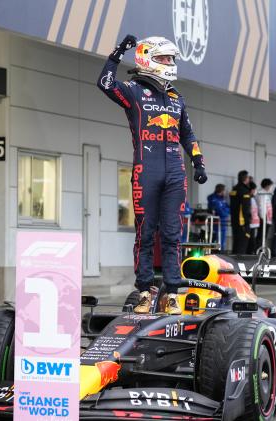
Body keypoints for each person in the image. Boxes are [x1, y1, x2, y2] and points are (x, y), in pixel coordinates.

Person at [98, 34, 208, 315]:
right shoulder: (133, 90)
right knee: (145, 234)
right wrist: (117, 53)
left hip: (175, 173)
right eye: (164, 58)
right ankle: (145, 292)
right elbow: (105, 84)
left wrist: (198, 161)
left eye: (171, 58)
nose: (170, 63)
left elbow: (188, 133)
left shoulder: (176, 97)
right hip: (146, 170)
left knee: (172, 235)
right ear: (147, 59)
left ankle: (172, 293)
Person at [230, 170, 252, 254]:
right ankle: (240, 263)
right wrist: (247, 221)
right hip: (242, 222)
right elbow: (245, 208)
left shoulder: (234, 189)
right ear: (245, 179)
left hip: (234, 221)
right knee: (242, 245)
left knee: (236, 243)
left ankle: (234, 263)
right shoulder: (244, 191)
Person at [207, 184, 230, 251]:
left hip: (223, 221)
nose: (225, 192)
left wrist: (225, 211)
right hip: (216, 221)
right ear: (221, 190)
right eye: (224, 190)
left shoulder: (222, 199)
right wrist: (225, 211)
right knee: (216, 238)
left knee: (222, 239)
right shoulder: (213, 198)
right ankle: (217, 251)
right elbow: (219, 210)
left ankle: (221, 251)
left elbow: (228, 208)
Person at [257, 178, 274, 251]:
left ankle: (261, 248)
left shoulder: (267, 194)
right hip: (263, 218)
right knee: (261, 235)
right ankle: (259, 249)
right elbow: (261, 206)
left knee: (264, 235)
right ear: (267, 186)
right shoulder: (261, 193)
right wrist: (263, 217)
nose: (270, 188)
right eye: (270, 186)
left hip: (267, 218)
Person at [247, 182, 260, 254]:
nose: (255, 191)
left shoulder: (253, 199)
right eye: (254, 190)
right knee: (251, 240)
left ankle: (252, 251)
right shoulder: (248, 198)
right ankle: (250, 253)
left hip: (254, 223)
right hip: (250, 223)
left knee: (253, 239)